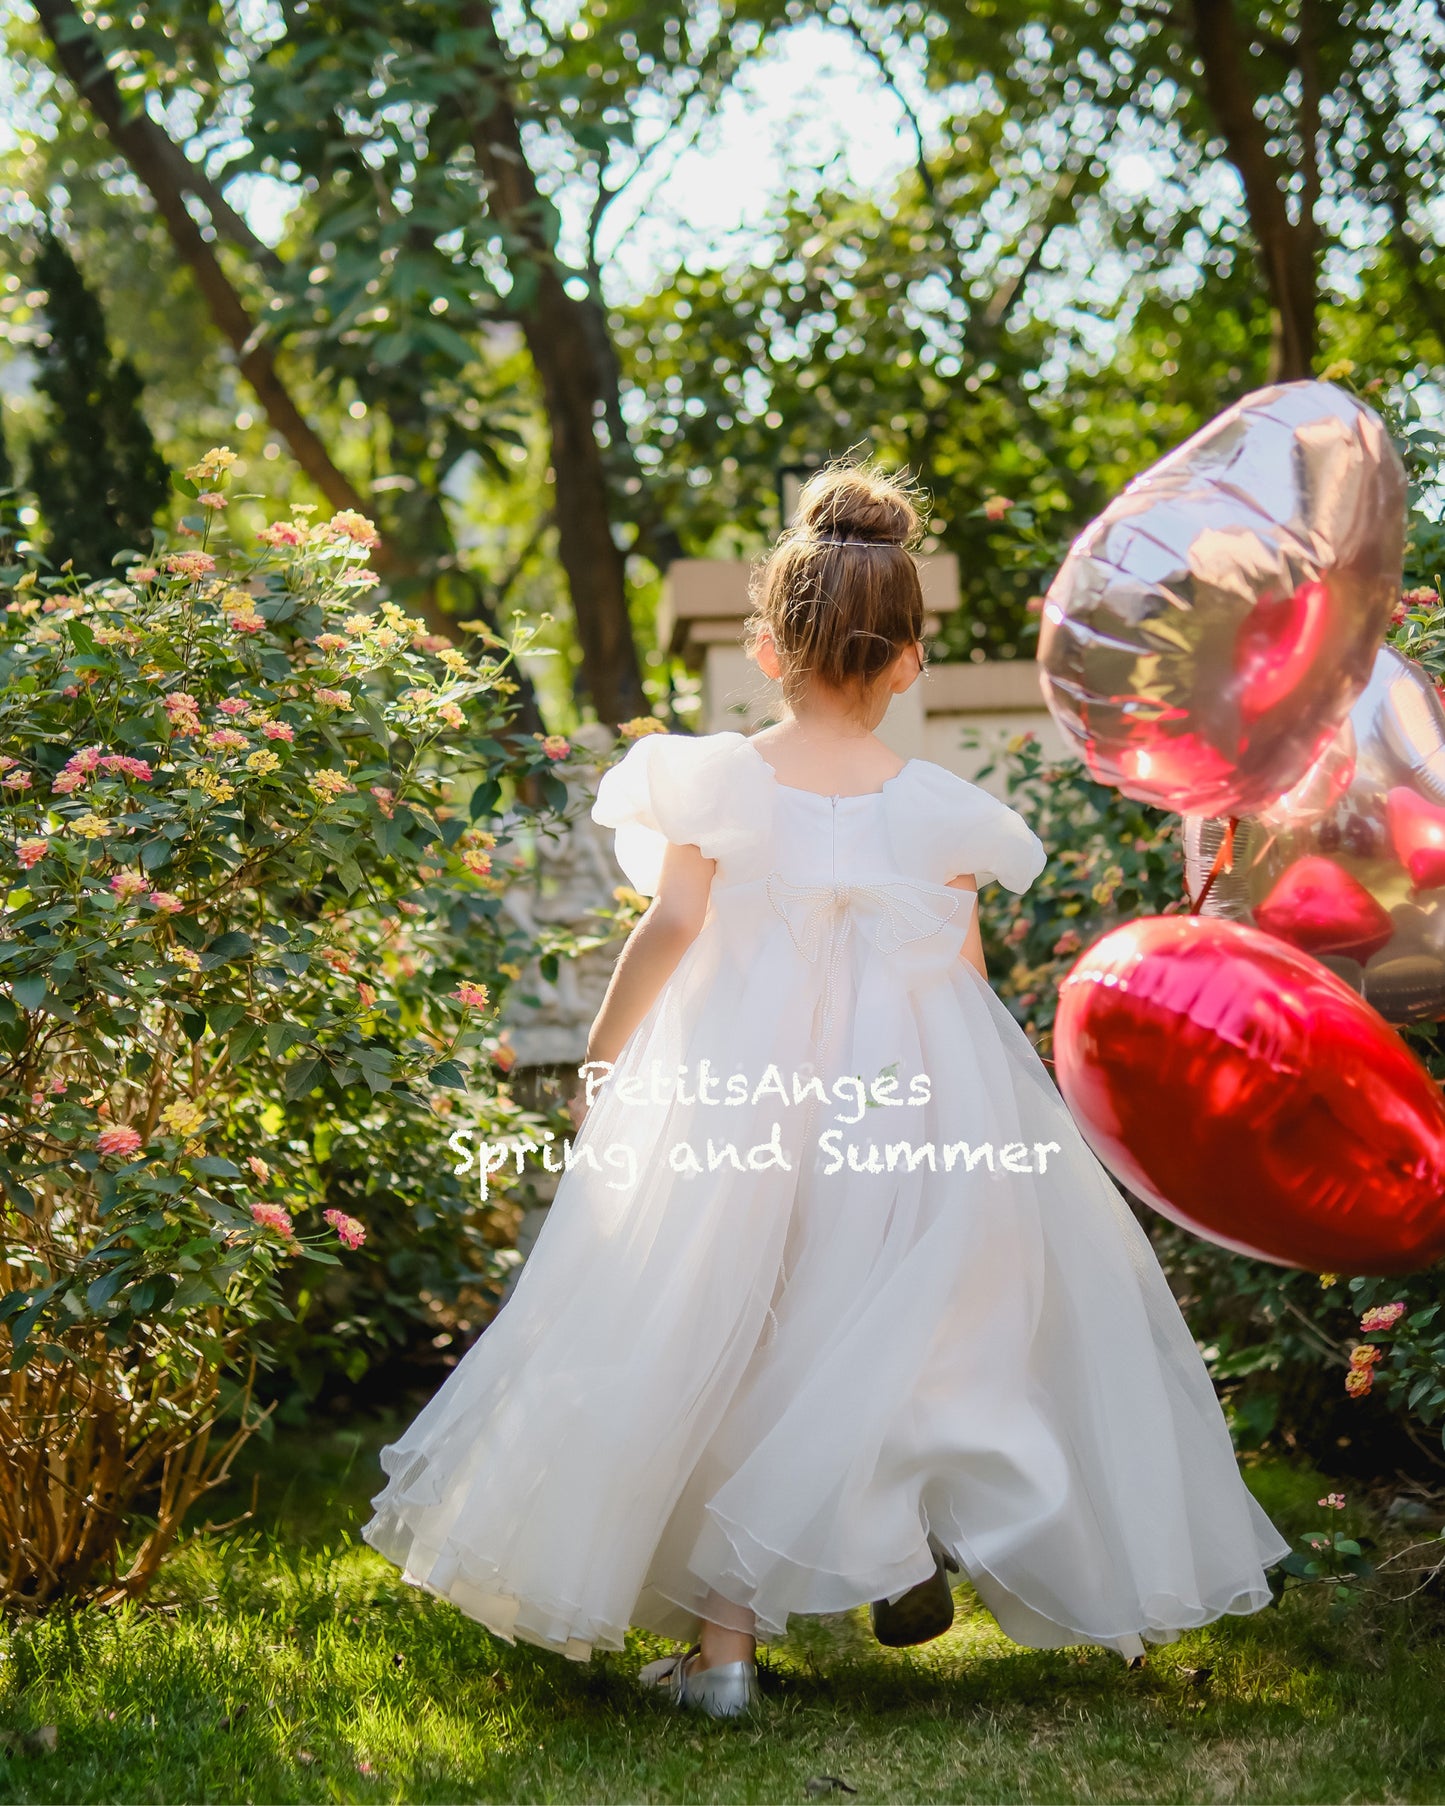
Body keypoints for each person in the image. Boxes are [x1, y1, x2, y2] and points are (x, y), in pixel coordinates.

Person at [360, 462, 1291, 1719]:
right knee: (908, 1324)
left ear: (765, 647)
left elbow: (671, 927)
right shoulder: (941, 810)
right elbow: (953, 969)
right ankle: (907, 1533)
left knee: (727, 1331)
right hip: (913, 1096)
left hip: (741, 1094)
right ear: (907, 661)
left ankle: (725, 1658)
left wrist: (603, 1059)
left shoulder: (714, 780)